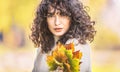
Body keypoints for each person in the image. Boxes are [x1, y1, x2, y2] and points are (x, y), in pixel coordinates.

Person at [30, 0, 96, 72]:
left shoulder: (76, 45)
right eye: (51, 16)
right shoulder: (42, 48)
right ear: (44, 19)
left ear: (73, 17)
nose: (57, 22)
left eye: (63, 15)